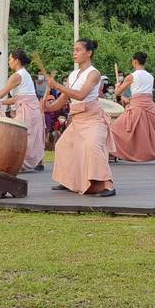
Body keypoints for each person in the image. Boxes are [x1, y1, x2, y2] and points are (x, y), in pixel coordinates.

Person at [43, 39, 116, 196]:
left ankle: (106, 185)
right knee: (63, 146)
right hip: (77, 119)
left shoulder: (94, 74)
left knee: (92, 146)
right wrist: (47, 107)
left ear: (89, 53)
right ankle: (68, 181)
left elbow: (81, 95)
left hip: (92, 118)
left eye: (78, 50)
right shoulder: (73, 74)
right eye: (73, 50)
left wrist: (57, 85)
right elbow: (63, 99)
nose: (74, 53)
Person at [0, 49, 46, 173]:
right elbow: (16, 98)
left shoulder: (17, 76)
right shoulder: (25, 74)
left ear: (16, 60)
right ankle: (34, 161)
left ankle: (17, 162)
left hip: (27, 110)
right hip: (31, 108)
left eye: (10, 59)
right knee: (29, 137)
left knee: (19, 136)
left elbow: (1, 94)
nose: (9, 62)